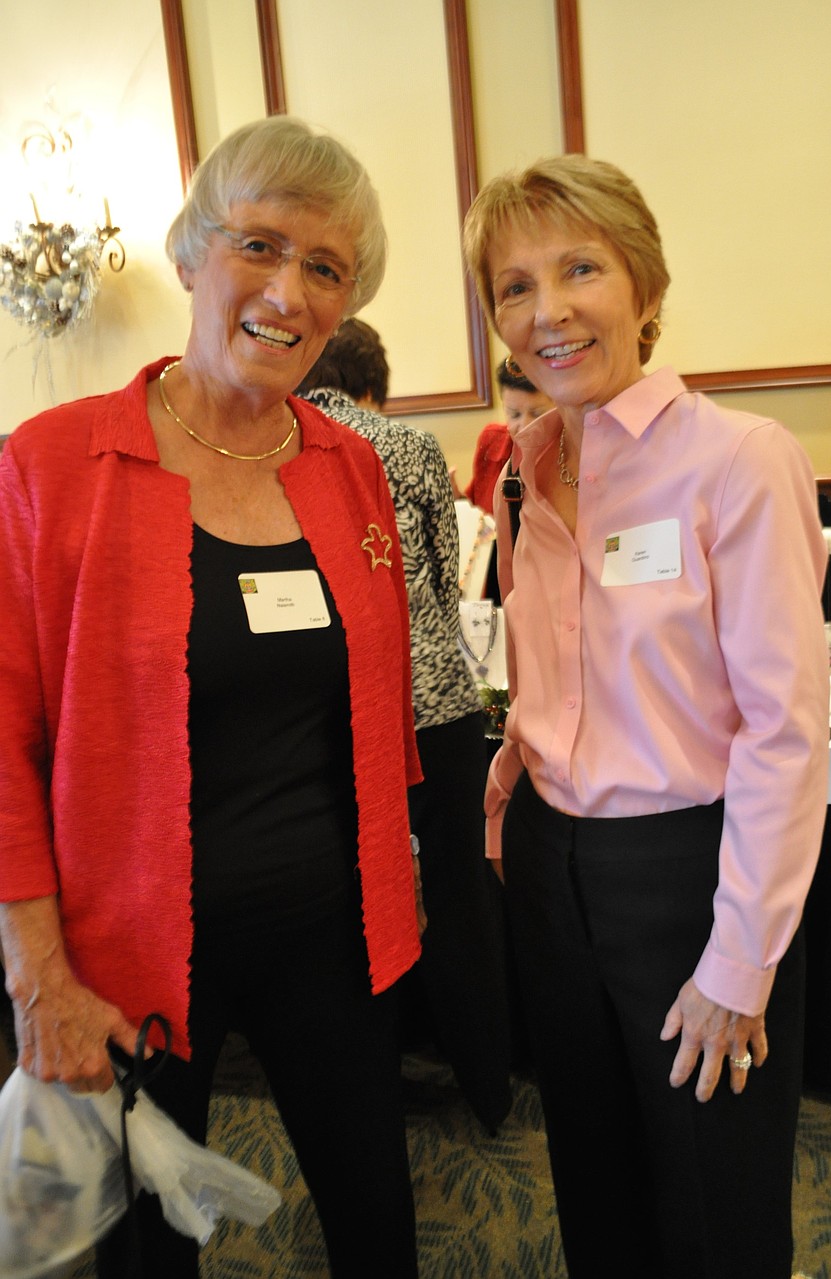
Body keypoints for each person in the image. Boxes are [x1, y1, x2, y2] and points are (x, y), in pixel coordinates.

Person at [0, 116, 425, 1278]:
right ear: (191, 256)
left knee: (378, 1224)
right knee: (147, 1251)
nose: (287, 291)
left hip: (334, 936)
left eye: (325, 268)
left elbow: (374, 710)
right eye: (258, 245)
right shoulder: (52, 465)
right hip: (125, 953)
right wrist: (39, 977)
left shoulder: (352, 472)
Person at [462, 153, 829, 1278]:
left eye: (580, 268)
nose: (547, 310)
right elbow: (555, 675)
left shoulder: (737, 460)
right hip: (552, 868)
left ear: (645, 287)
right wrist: (509, 791)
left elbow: (784, 728)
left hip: (688, 874)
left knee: (714, 1198)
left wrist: (738, 958)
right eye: (514, 286)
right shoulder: (529, 464)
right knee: (594, 1177)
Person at [297, 319, 513, 1129]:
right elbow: (434, 568)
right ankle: (488, 1083)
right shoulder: (412, 447)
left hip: (340, 707)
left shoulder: (280, 445)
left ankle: (370, 1084)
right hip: (438, 703)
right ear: (373, 383)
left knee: (355, 899)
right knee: (459, 895)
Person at [455, 357, 554, 514]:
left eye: (537, 414)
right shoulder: (493, 441)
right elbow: (481, 515)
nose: (525, 426)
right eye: (514, 414)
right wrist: (455, 500)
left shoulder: (576, 452)